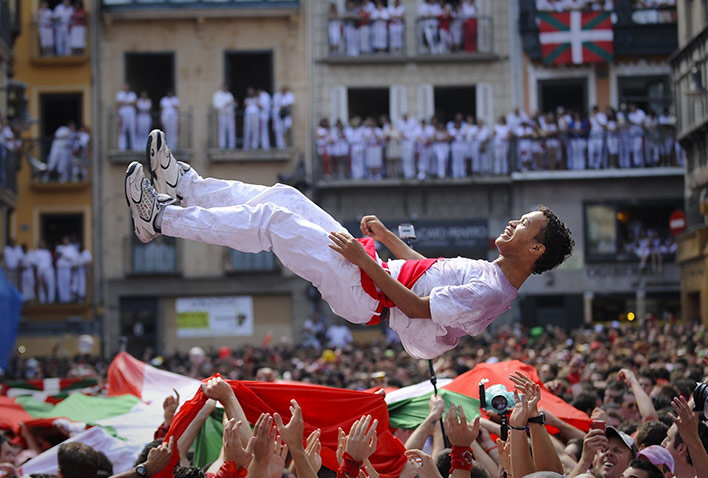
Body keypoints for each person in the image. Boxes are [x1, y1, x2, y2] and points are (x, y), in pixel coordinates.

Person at [125, 130, 574, 359]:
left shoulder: (492, 293)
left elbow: (418, 309)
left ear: (536, 250)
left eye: (524, 226)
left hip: (367, 295)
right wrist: (386, 239)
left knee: (275, 221)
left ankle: (160, 218)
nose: (514, 224)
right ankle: (185, 185)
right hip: (371, 272)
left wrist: (364, 257)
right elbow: (427, 269)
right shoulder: (491, 273)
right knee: (286, 197)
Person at [212, 84, 236, 150]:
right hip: (222, 114)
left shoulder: (229, 95)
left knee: (231, 130)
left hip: (229, 114)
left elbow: (233, 103)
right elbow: (216, 105)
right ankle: (222, 145)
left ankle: (232, 145)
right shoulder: (217, 95)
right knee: (222, 130)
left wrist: (231, 104)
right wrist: (224, 105)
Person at [116, 84, 138, 151]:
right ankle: (122, 147)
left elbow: (135, 103)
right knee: (122, 131)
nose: (126, 88)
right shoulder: (119, 94)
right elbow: (117, 104)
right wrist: (128, 103)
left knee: (132, 130)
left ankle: (134, 147)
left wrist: (124, 102)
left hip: (131, 115)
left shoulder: (133, 94)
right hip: (123, 115)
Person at [272, 86, 294, 150]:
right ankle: (280, 144)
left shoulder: (289, 95)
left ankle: (288, 143)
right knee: (278, 130)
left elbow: (289, 104)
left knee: (287, 129)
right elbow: (275, 105)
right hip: (278, 116)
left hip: (285, 115)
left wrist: (283, 107)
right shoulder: (277, 96)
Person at [34, 240, 55, 304]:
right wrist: (41, 273)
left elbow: (50, 261)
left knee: (51, 285)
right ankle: (42, 300)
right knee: (41, 286)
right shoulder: (36, 252)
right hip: (41, 271)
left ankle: (51, 300)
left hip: (49, 270)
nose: (42, 245)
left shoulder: (47, 252)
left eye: (43, 244)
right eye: (41, 244)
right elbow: (36, 264)